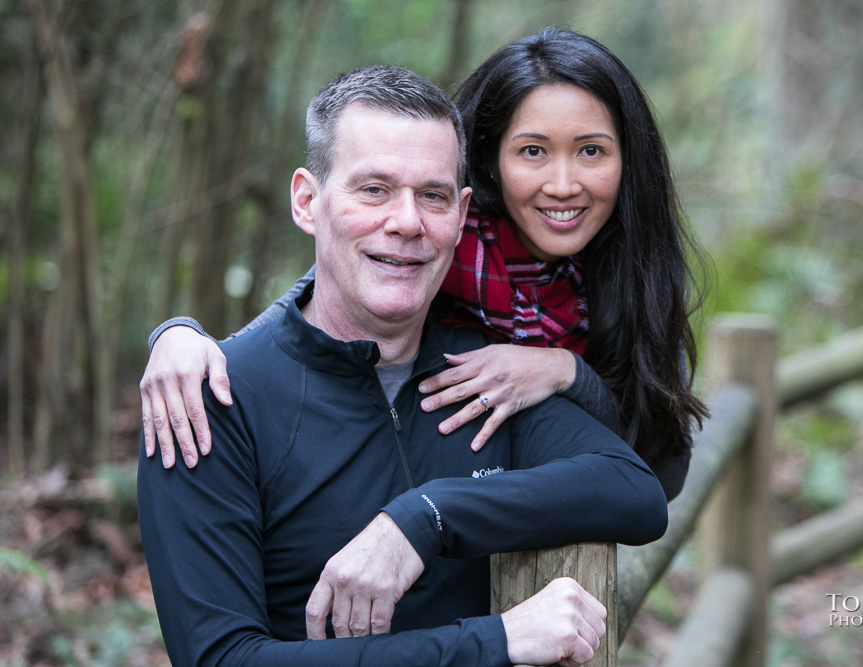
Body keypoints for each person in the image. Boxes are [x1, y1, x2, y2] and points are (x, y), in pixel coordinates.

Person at [137, 64, 668, 666]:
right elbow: (220, 659)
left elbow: (635, 493)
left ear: (462, 213)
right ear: (308, 202)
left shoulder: (485, 375)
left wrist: (427, 516)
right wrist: (495, 641)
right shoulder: (209, 397)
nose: (408, 222)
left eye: (433, 195)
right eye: (374, 190)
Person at [141, 27, 708, 499]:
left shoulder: (633, 274)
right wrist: (182, 335)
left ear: (627, 162)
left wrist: (565, 372)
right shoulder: (434, 250)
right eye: (532, 151)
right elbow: (323, 301)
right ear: (488, 162)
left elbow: (662, 475)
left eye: (591, 151)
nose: (563, 184)